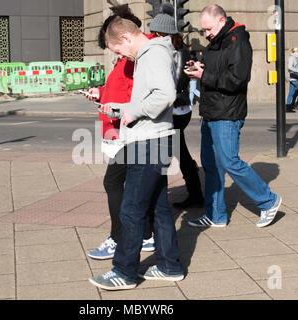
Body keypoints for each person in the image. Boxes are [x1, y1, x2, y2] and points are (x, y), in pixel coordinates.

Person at [89, 16, 184, 290]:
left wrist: (133, 111)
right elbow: (149, 96)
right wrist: (120, 109)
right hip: (154, 140)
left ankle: (124, 272)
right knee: (159, 208)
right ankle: (170, 266)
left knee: (131, 209)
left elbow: (165, 94)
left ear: (126, 38)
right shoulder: (152, 53)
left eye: (118, 50)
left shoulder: (151, 54)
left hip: (148, 143)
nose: (121, 55)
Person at [184, 4, 282, 228]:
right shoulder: (215, 42)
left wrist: (204, 74)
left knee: (229, 161)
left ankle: (268, 201)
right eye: (204, 30)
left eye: (208, 29)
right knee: (211, 164)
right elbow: (215, 71)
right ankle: (216, 215)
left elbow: (237, 79)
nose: (206, 33)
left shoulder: (238, 41)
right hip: (211, 111)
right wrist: (198, 67)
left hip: (227, 113)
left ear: (221, 21)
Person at [82, 5, 155, 260]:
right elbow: (117, 90)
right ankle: (144, 235)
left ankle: (119, 237)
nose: (116, 52)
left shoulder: (137, 59)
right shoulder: (126, 59)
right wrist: (100, 93)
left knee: (114, 182)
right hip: (119, 128)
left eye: (115, 47)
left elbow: (144, 96)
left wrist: (121, 112)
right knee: (136, 186)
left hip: (127, 130)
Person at [149, 2, 204, 209]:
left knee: (167, 154)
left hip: (174, 109)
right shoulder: (175, 48)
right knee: (180, 152)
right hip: (178, 109)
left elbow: (178, 81)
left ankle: (161, 200)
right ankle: (195, 195)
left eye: (155, 33)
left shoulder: (174, 50)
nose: (152, 37)